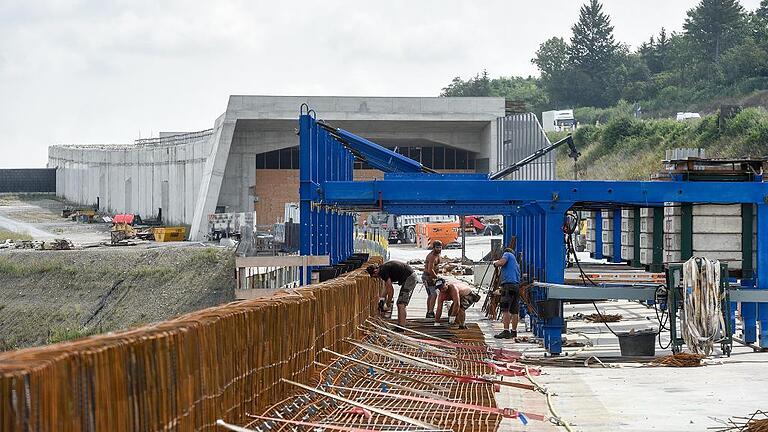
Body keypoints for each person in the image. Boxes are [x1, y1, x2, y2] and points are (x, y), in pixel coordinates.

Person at [366, 261, 418, 330]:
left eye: (374, 276)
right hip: (409, 276)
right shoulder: (383, 269)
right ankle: (400, 325)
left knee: (401, 304)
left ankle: (401, 327)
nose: (376, 278)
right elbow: (387, 287)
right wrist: (381, 299)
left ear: (375, 271)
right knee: (400, 303)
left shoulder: (383, 272)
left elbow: (391, 291)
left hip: (409, 278)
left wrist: (388, 304)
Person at [493, 238, 522, 339]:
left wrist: (495, 263)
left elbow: (501, 262)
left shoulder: (508, 254)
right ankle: (513, 332)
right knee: (515, 311)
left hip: (508, 286)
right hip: (516, 287)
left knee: (505, 310)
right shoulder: (516, 265)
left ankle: (506, 331)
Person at [422, 240, 443, 319]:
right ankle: (430, 312)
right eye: (437, 247)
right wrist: (436, 278)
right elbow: (430, 270)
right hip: (428, 277)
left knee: (431, 295)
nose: (439, 249)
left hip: (431, 276)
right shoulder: (432, 256)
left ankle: (429, 311)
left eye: (440, 247)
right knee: (434, 294)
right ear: (433, 248)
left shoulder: (437, 255)